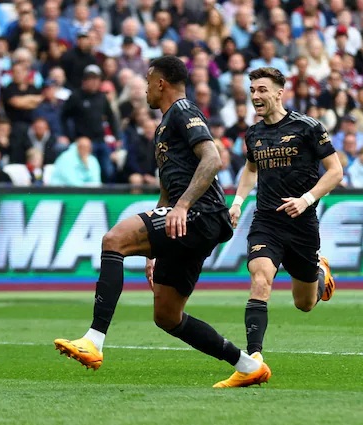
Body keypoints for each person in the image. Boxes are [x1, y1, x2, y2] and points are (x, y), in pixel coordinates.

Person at [54, 56, 271, 387]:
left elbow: (212, 159)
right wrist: (153, 250)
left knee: (114, 240)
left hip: (201, 215)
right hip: (192, 221)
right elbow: (169, 191)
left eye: (147, 81)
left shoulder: (184, 111)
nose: (144, 89)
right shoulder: (166, 123)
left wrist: (183, 207)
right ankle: (247, 365)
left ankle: (94, 340)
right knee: (167, 316)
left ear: (160, 83)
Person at [217, 67, 342, 387]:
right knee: (260, 280)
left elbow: (335, 171)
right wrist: (237, 202)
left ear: (278, 93)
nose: (255, 95)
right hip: (267, 222)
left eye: (262, 89)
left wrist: (307, 199)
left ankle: (318, 272)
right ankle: (253, 360)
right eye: (252, 90)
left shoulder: (308, 128)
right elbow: (249, 169)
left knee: (305, 304)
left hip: (302, 224)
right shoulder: (253, 133)